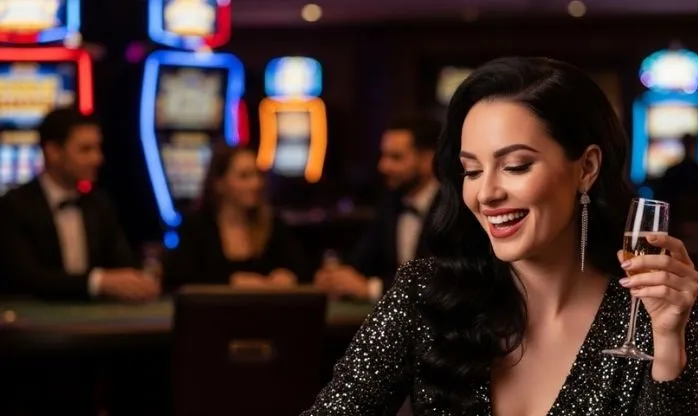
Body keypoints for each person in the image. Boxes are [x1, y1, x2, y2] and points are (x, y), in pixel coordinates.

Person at [188, 57, 698, 416]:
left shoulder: (649, 305)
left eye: (516, 165)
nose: (486, 194)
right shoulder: (424, 292)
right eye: (472, 170)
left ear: (587, 168)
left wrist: (668, 344)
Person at [0, 108, 158, 302]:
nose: (98, 159)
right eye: (85, 150)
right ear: (53, 152)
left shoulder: (99, 205)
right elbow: (24, 279)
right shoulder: (13, 206)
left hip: (92, 326)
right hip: (34, 328)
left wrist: (140, 281)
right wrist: (96, 282)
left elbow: (121, 265)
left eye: (98, 148)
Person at [314, 114, 441, 300]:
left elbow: (443, 280)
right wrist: (335, 276)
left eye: (395, 157)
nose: (383, 166)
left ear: (427, 160)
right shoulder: (390, 203)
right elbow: (361, 261)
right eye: (383, 156)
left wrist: (373, 288)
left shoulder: (455, 208)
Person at [161, 144, 311, 290]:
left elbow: (304, 271)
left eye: (258, 175)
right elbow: (176, 279)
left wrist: (288, 276)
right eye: (244, 176)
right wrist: (230, 282)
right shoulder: (196, 227)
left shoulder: (274, 225)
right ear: (220, 184)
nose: (256, 184)